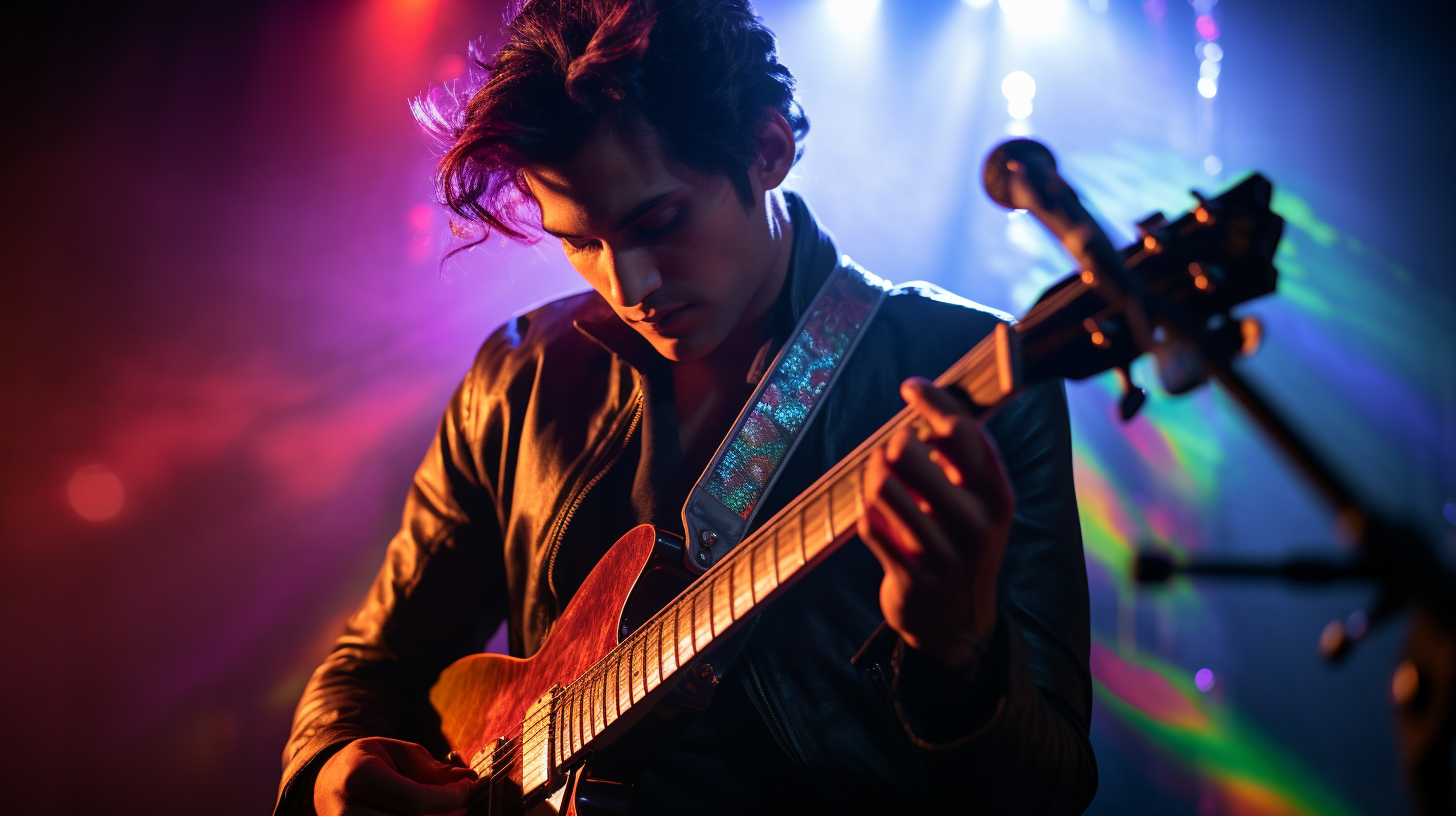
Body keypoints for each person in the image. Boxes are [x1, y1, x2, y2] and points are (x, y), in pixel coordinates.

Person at [277, 1, 1096, 813]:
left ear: (768, 149)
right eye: (582, 242)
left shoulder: (961, 371)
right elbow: (375, 664)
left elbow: (1052, 787)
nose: (628, 287)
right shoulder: (520, 378)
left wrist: (959, 659)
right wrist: (330, 769)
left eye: (660, 220)